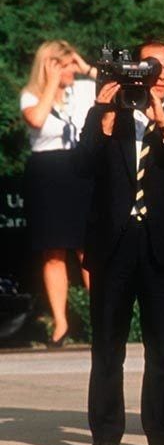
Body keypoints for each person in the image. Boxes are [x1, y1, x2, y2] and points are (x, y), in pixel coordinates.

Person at [78, 41, 164, 445]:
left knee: (162, 345)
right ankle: (105, 433)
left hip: (162, 243)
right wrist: (103, 117)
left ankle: (163, 431)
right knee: (107, 345)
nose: (158, 73)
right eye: (150, 66)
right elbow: (82, 169)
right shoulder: (108, 114)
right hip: (112, 243)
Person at [20, 40, 97, 346]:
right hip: (47, 171)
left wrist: (85, 65)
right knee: (53, 251)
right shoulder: (31, 95)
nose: (70, 70)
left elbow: (111, 84)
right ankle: (61, 324)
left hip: (79, 167)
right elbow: (37, 120)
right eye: (63, 65)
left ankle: (101, 318)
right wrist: (52, 84)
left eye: (70, 64)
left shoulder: (83, 89)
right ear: (49, 66)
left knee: (87, 249)